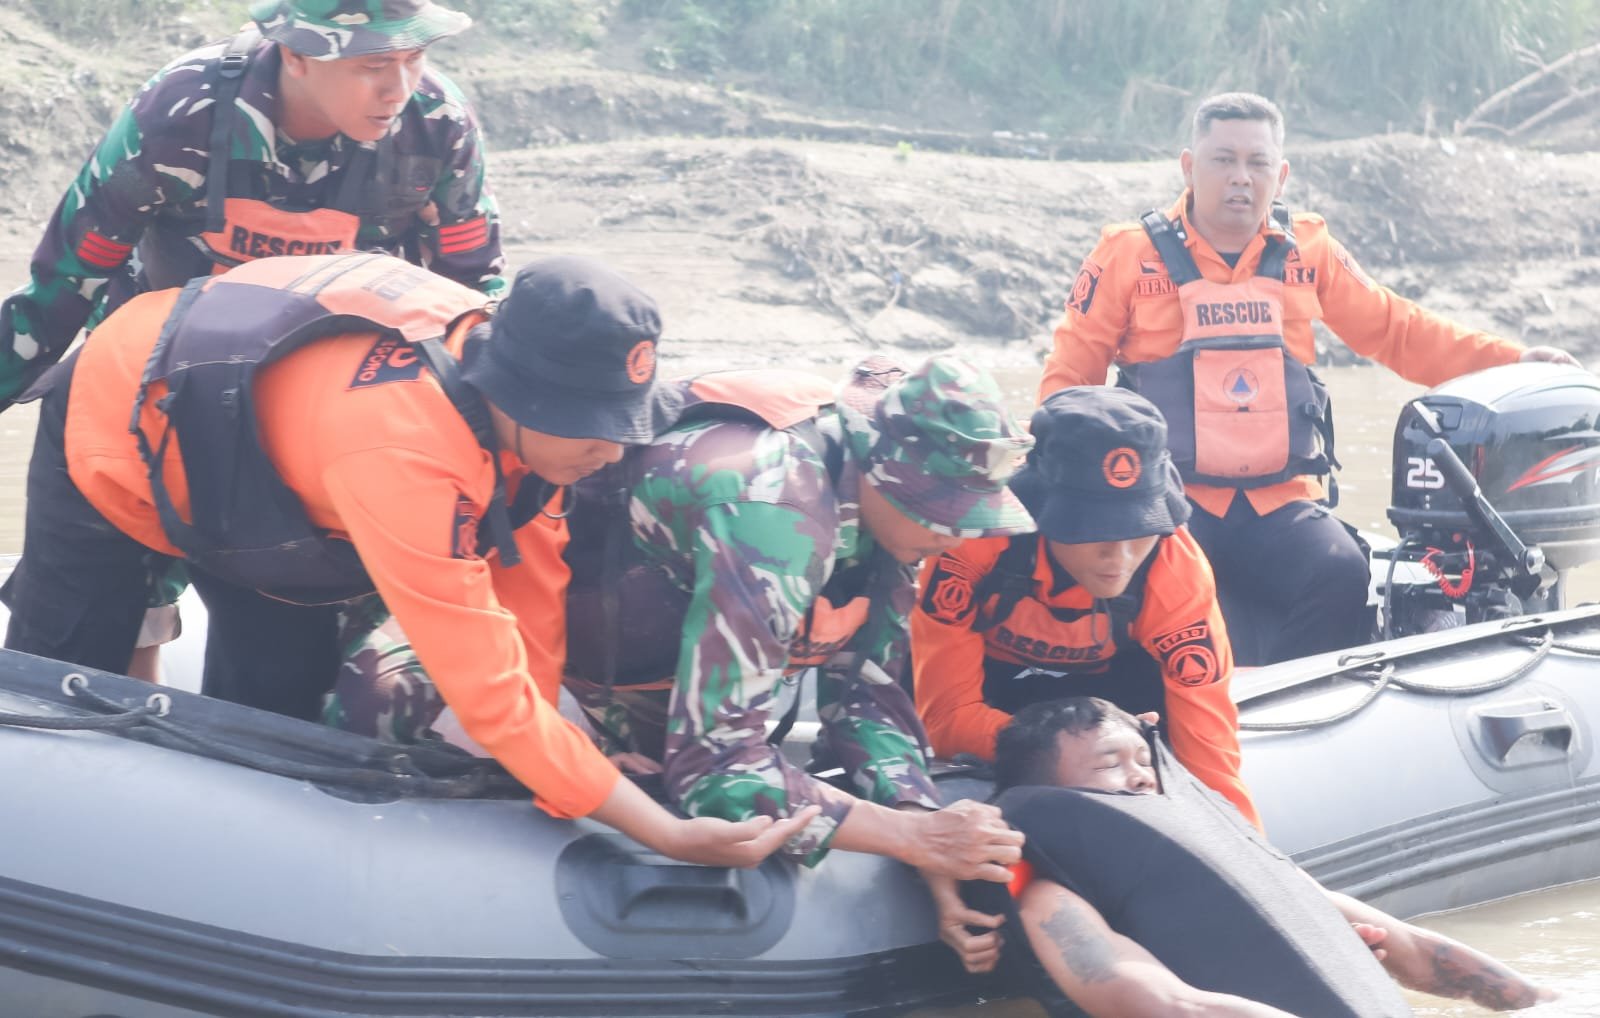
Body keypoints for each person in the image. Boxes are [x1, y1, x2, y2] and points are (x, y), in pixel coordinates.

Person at [1, 250, 815, 868]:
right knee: (57, 688)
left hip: (280, 489)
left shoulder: (530, 433)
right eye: (594, 424)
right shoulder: (407, 453)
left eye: (625, 424)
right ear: (520, 397)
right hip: (129, 410)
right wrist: (665, 832)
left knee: (274, 715)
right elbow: (486, 688)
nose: (613, 449)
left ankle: (216, 873)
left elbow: (531, 602)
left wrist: (568, 764)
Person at [330, 355, 1036, 884]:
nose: (959, 536)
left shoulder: (893, 524)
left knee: (686, 786)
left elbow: (872, 701)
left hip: (644, 672)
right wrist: (908, 841)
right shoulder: (774, 509)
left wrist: (926, 828)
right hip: (510, 641)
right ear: (883, 473)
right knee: (386, 701)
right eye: (944, 513)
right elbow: (720, 771)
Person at [0, 0, 504, 676]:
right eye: (373, 64)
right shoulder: (184, 113)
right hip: (145, 382)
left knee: (280, 679)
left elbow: (475, 301)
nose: (399, 87)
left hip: (303, 422)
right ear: (295, 53)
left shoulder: (434, 127)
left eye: (415, 59)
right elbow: (61, 288)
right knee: (84, 640)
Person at [1037, 91, 1581, 665]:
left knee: (1342, 570)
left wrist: (1513, 362)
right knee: (1156, 586)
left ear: (1282, 174)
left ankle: (1292, 709)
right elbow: (1071, 380)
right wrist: (1056, 482)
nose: (1240, 178)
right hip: (1172, 500)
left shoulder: (1310, 249)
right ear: (1189, 167)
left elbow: (1398, 331)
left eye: (1257, 162)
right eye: (1223, 160)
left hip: (1282, 504)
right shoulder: (1127, 254)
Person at [952, 697, 1555, 1017]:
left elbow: (1413, 948)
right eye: (1111, 765)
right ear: (1050, 793)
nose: (1140, 780)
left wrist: (1543, 1003)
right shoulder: (1049, 890)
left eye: (1145, 761)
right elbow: (1151, 1001)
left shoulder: (1235, 863)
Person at [912, 386, 1258, 828]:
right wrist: (1073, 758)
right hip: (987, 685)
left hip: (1113, 701)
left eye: (1139, 530)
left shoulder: (1176, 570)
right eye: (1092, 531)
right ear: (1037, 509)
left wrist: (1248, 853)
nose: (1120, 559)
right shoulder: (973, 540)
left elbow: (1211, 760)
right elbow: (944, 719)